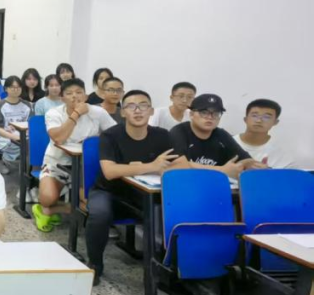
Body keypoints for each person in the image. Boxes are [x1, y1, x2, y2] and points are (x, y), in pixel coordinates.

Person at [87, 90, 185, 284]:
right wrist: (151, 166)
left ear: (151, 111)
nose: (138, 110)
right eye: (131, 106)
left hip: (144, 195)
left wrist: (145, 168)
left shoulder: (162, 135)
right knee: (99, 214)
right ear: (123, 112)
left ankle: (171, 271)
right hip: (109, 192)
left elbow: (182, 164)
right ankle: (95, 264)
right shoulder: (110, 135)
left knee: (176, 211)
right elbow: (110, 171)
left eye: (143, 105)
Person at [34, 78, 117, 233]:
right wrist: (76, 114)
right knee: (47, 199)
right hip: (57, 162)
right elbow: (58, 138)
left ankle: (55, 210)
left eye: (79, 92)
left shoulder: (98, 112)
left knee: (89, 203)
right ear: (62, 98)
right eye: (69, 93)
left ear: (86, 96)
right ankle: (55, 207)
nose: (75, 96)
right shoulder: (54, 113)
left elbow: (116, 134)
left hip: (86, 166)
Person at [169, 94, 263, 179]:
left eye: (216, 113)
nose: (210, 117)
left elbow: (245, 159)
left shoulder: (221, 134)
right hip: (187, 185)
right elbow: (179, 165)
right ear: (191, 114)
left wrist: (254, 165)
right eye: (204, 112)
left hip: (215, 185)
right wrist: (222, 170)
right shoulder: (179, 132)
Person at [234, 99, 295, 169]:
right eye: (254, 116)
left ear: (275, 122)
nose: (259, 120)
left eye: (267, 117)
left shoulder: (282, 153)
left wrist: (268, 173)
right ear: (245, 119)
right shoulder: (228, 143)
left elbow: (288, 175)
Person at [0, 76, 33, 175]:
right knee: (25, 146)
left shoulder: (27, 105)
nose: (16, 90)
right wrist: (14, 137)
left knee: (33, 144)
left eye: (18, 87)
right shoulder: (0, 105)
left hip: (25, 136)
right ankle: (5, 162)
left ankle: (28, 171)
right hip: (7, 137)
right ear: (6, 89)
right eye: (12, 87)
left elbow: (31, 124)